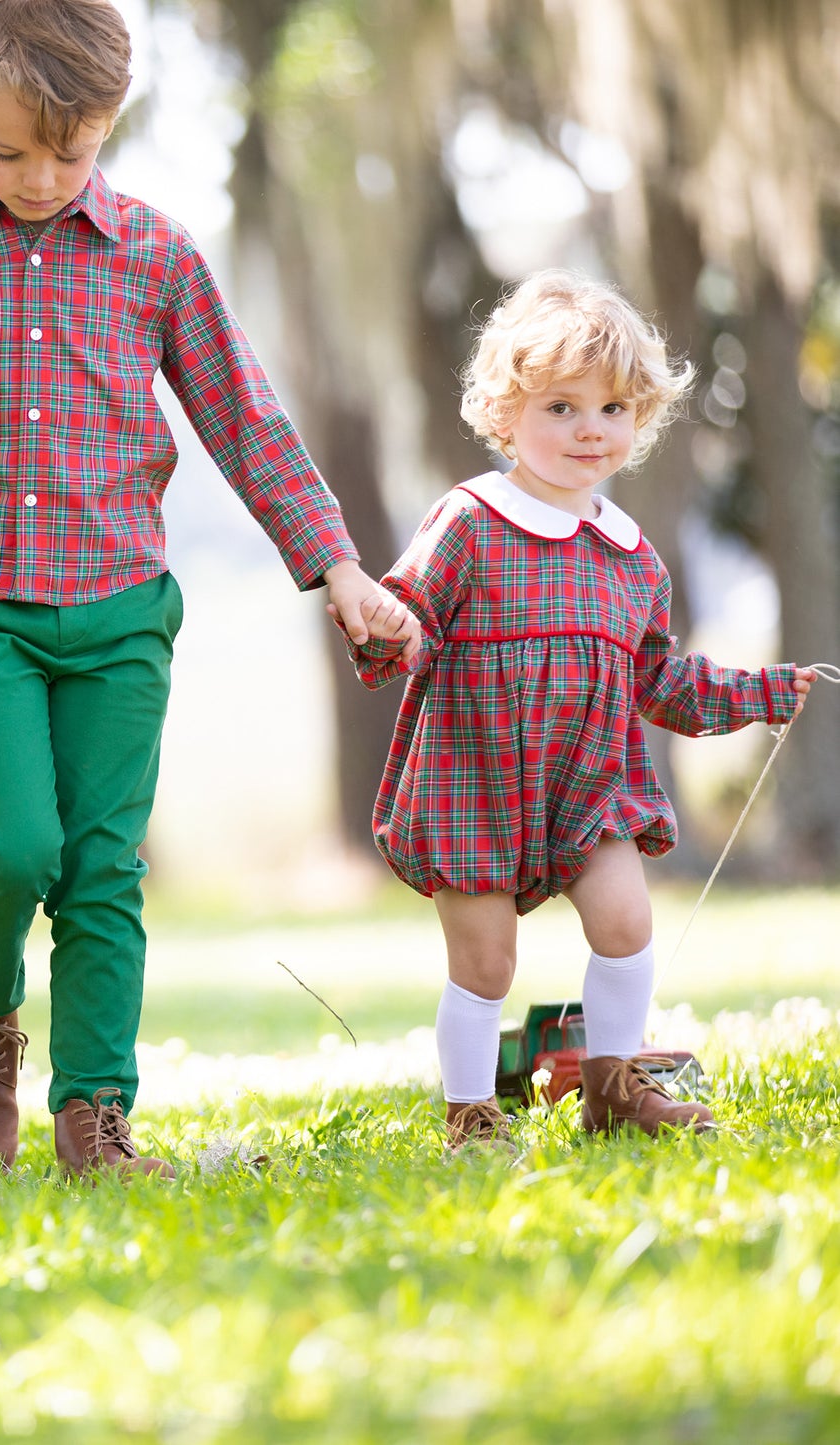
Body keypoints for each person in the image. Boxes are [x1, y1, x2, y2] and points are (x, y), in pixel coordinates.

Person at [0, 0, 419, 1179]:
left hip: (118, 612)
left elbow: (244, 420)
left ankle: (93, 1114)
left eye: (72, 149)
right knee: (7, 849)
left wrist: (338, 565)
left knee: (102, 866)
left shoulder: (155, 255)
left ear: (112, 121)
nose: (43, 176)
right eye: (11, 152)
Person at [349, 270, 815, 1152]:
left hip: (587, 782)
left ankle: (611, 1085)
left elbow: (660, 681)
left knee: (626, 920)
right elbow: (404, 619)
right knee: (485, 964)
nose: (587, 429)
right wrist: (381, 621)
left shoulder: (632, 558)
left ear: (638, 420)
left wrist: (759, 692)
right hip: (475, 782)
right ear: (505, 411)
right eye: (559, 407)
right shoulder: (471, 520)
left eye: (610, 408)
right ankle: (470, 1115)